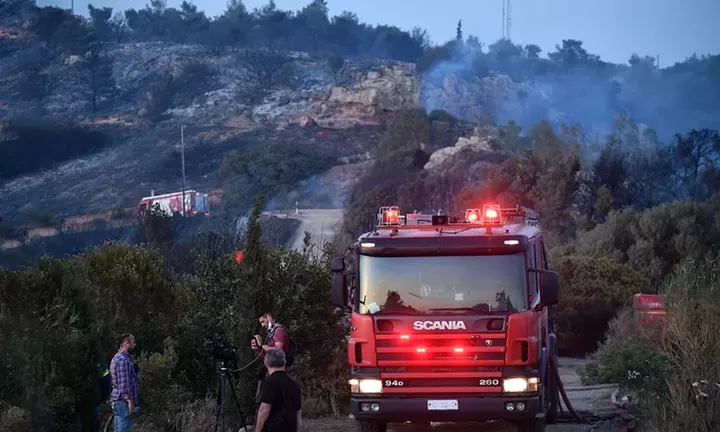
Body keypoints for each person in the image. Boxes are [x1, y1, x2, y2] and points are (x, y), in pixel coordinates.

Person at [255, 349, 302, 432]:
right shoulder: (294, 384)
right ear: (284, 362)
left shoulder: (269, 382)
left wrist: (257, 430)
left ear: (266, 363)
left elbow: (264, 409)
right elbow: (298, 412)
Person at [251, 313, 291, 401]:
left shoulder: (278, 330)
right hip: (270, 368)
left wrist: (262, 346)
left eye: (263, 321)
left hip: (277, 369)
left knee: (267, 397)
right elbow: (268, 355)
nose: (262, 325)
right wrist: (257, 349)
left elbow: (278, 350)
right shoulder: (271, 333)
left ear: (269, 318)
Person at [110, 333, 140, 432]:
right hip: (123, 402)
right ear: (127, 343)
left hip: (119, 401)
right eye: (133, 342)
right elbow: (124, 383)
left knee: (118, 429)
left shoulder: (118, 358)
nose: (134, 344)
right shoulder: (123, 360)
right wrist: (130, 401)